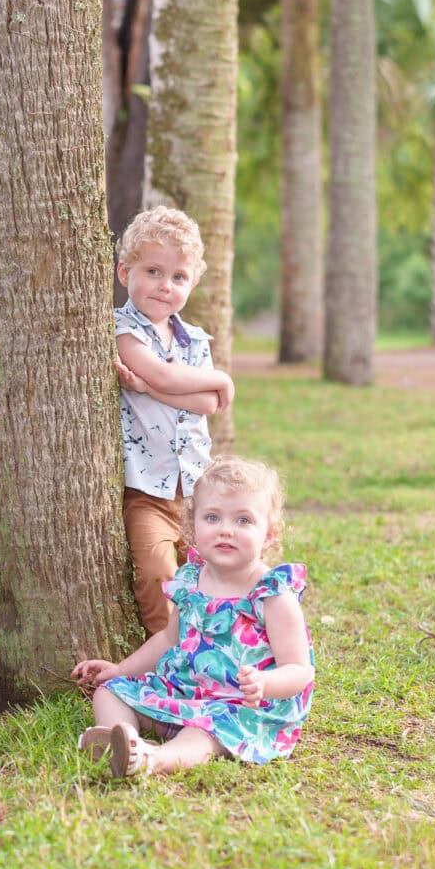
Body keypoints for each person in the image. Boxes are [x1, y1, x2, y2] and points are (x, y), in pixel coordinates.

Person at [71, 456, 314, 777]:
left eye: (243, 521)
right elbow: (169, 638)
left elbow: (300, 669)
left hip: (239, 707)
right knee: (110, 692)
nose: (226, 530)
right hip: (183, 690)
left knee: (203, 733)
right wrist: (121, 669)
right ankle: (120, 736)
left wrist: (265, 684)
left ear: (269, 534)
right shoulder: (190, 579)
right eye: (212, 517)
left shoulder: (271, 593)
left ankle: (152, 759)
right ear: (193, 526)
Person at [112, 206, 235, 636]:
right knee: (156, 573)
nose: (165, 286)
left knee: (210, 572)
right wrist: (220, 378)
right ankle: (170, 657)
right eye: (152, 271)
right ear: (125, 271)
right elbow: (165, 375)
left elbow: (206, 404)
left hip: (198, 489)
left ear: (193, 283)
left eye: (178, 277)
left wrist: (148, 390)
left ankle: (215, 646)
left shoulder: (195, 340)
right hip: (147, 489)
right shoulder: (121, 330)